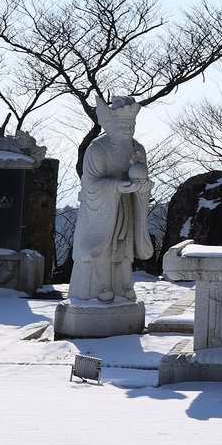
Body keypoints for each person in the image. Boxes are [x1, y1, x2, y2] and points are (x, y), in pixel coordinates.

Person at [68, 94, 153, 303]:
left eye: (131, 125)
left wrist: (142, 187)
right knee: (104, 247)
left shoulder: (137, 149)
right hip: (102, 207)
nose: (128, 129)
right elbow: (90, 184)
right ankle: (102, 286)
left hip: (127, 205)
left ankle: (125, 285)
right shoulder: (98, 149)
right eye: (122, 125)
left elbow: (141, 175)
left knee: (124, 247)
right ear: (111, 125)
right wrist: (115, 186)